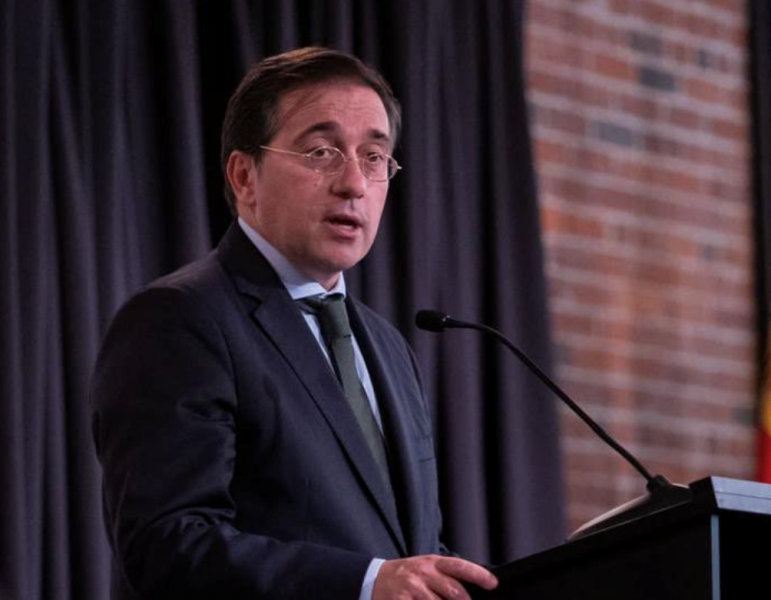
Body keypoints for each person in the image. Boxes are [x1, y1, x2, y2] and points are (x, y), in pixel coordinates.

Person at [91, 46, 498, 600]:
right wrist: (365, 583)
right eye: (322, 151)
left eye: (375, 157)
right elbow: (168, 545)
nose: (354, 183)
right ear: (244, 176)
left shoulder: (388, 346)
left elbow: (406, 547)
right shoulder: (179, 319)